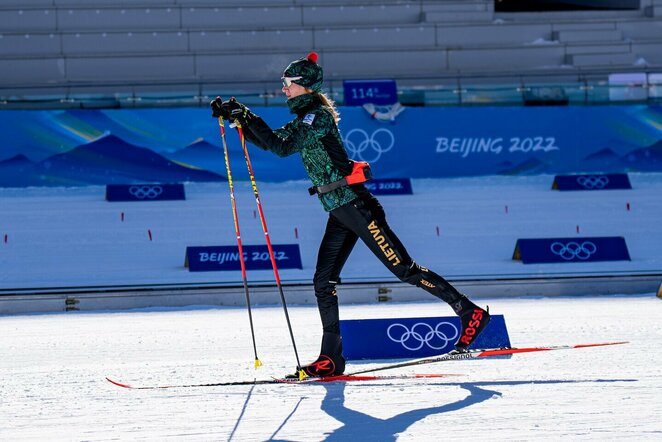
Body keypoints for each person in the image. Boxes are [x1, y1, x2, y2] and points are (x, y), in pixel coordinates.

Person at [210, 52, 491, 378]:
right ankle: (331, 358)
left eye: (287, 83)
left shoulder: (317, 117)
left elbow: (281, 147)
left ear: (304, 86)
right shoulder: (304, 118)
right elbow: (273, 142)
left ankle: (468, 312)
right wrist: (241, 118)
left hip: (356, 207)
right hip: (339, 211)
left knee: (405, 270)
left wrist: (246, 116)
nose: (283, 88)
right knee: (322, 281)